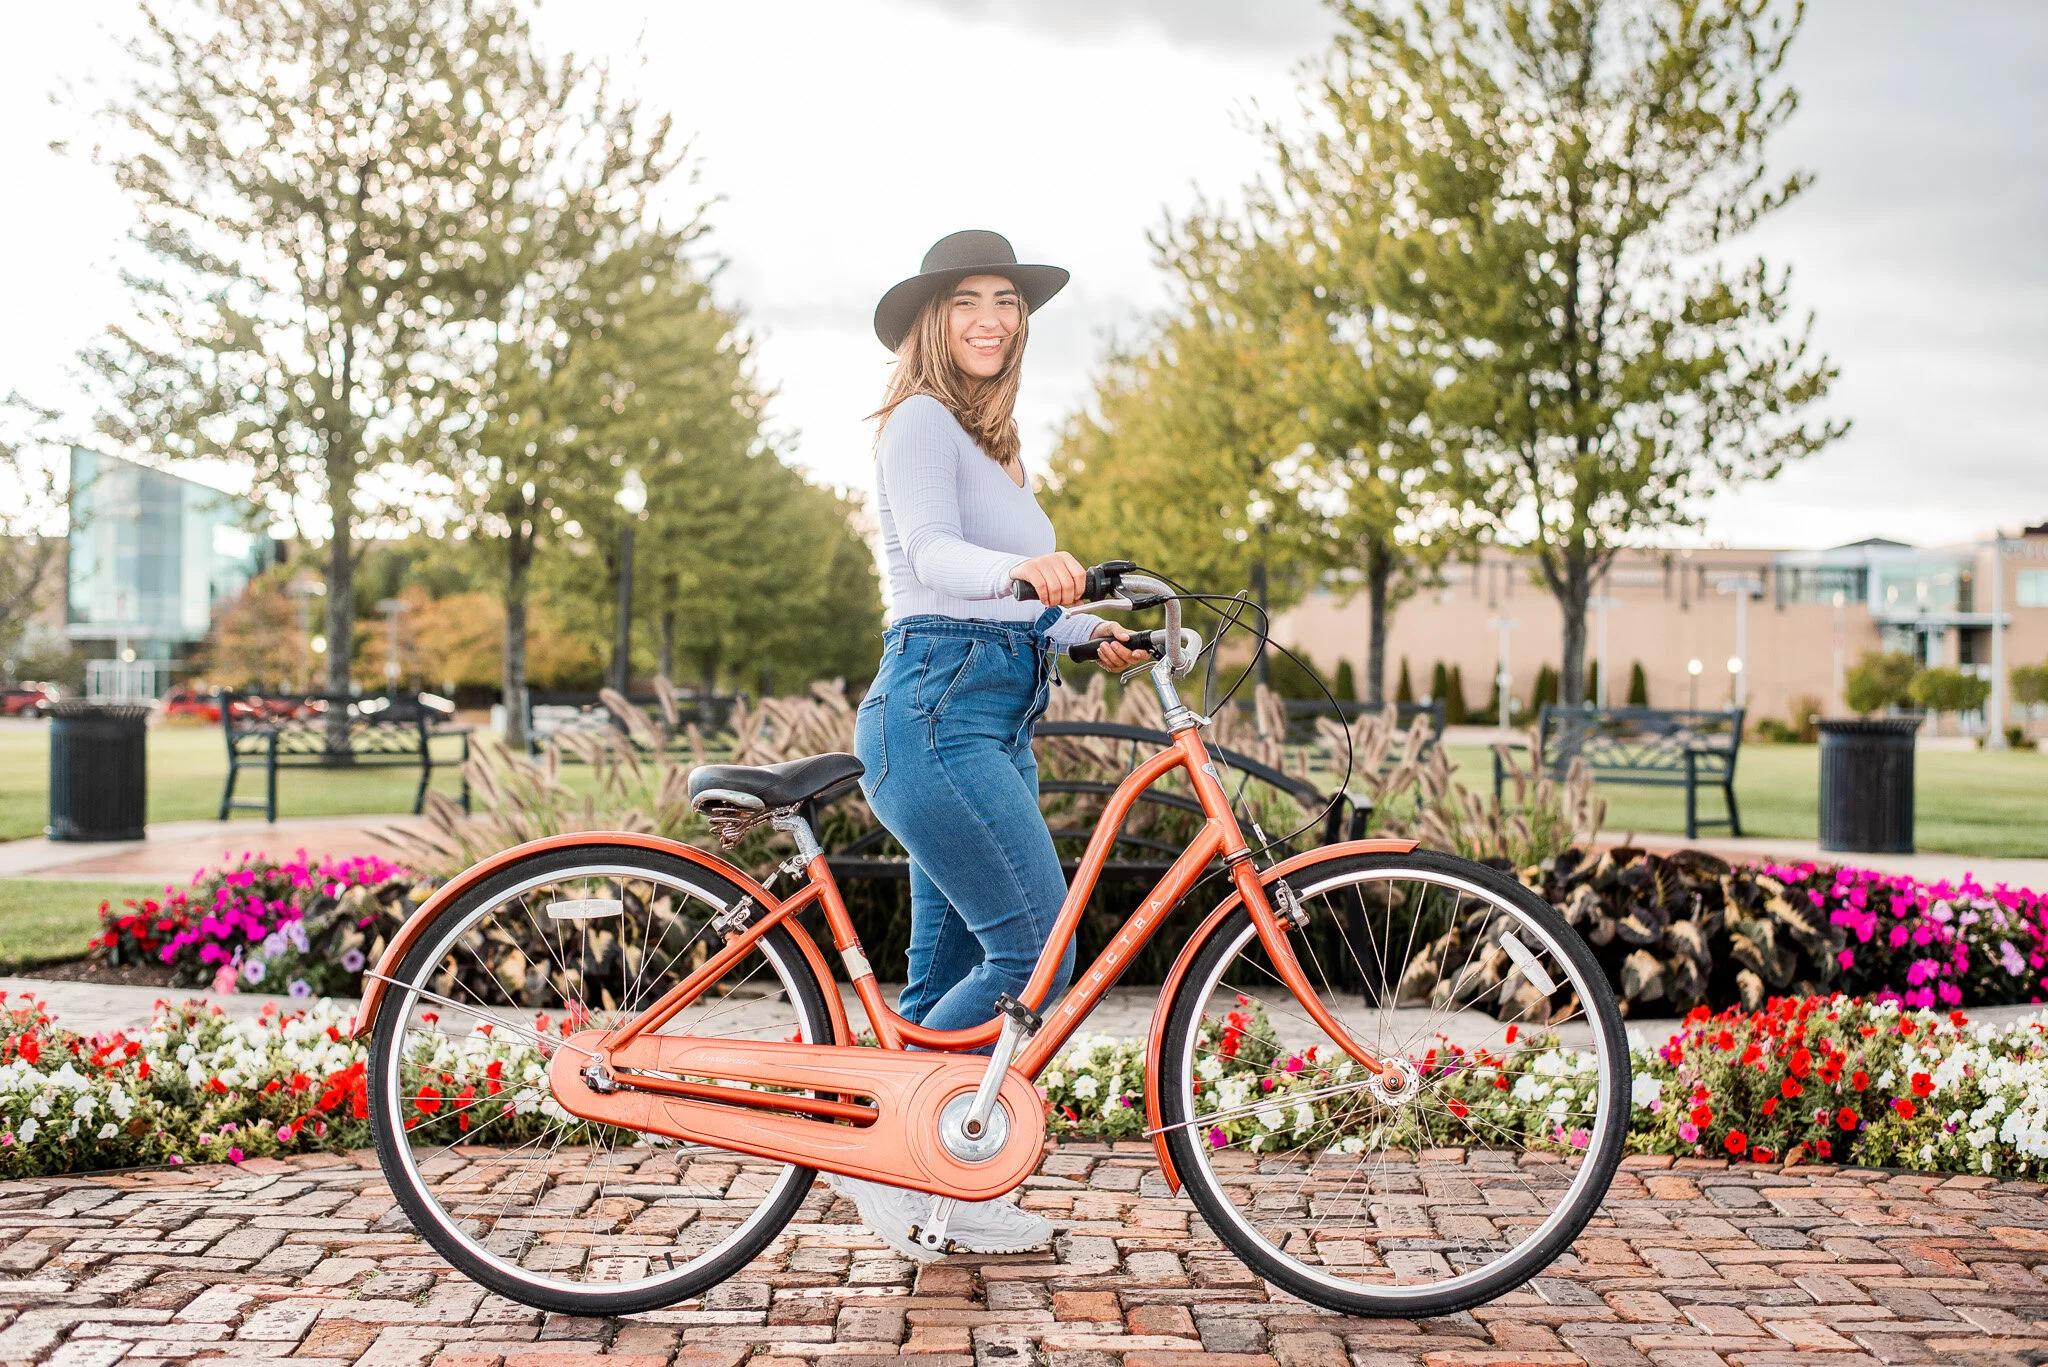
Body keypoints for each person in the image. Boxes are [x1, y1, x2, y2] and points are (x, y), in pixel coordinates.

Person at [834, 230, 1147, 1259]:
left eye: (1006, 300)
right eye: (966, 299)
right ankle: (881, 1148)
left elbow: (1004, 600)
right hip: (935, 709)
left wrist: (1085, 629)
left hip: (987, 714)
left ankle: (943, 1191)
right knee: (1032, 955)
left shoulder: (993, 446)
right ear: (932, 319)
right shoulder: (918, 419)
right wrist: (1029, 569)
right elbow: (933, 559)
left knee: (942, 983)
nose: (990, 317)